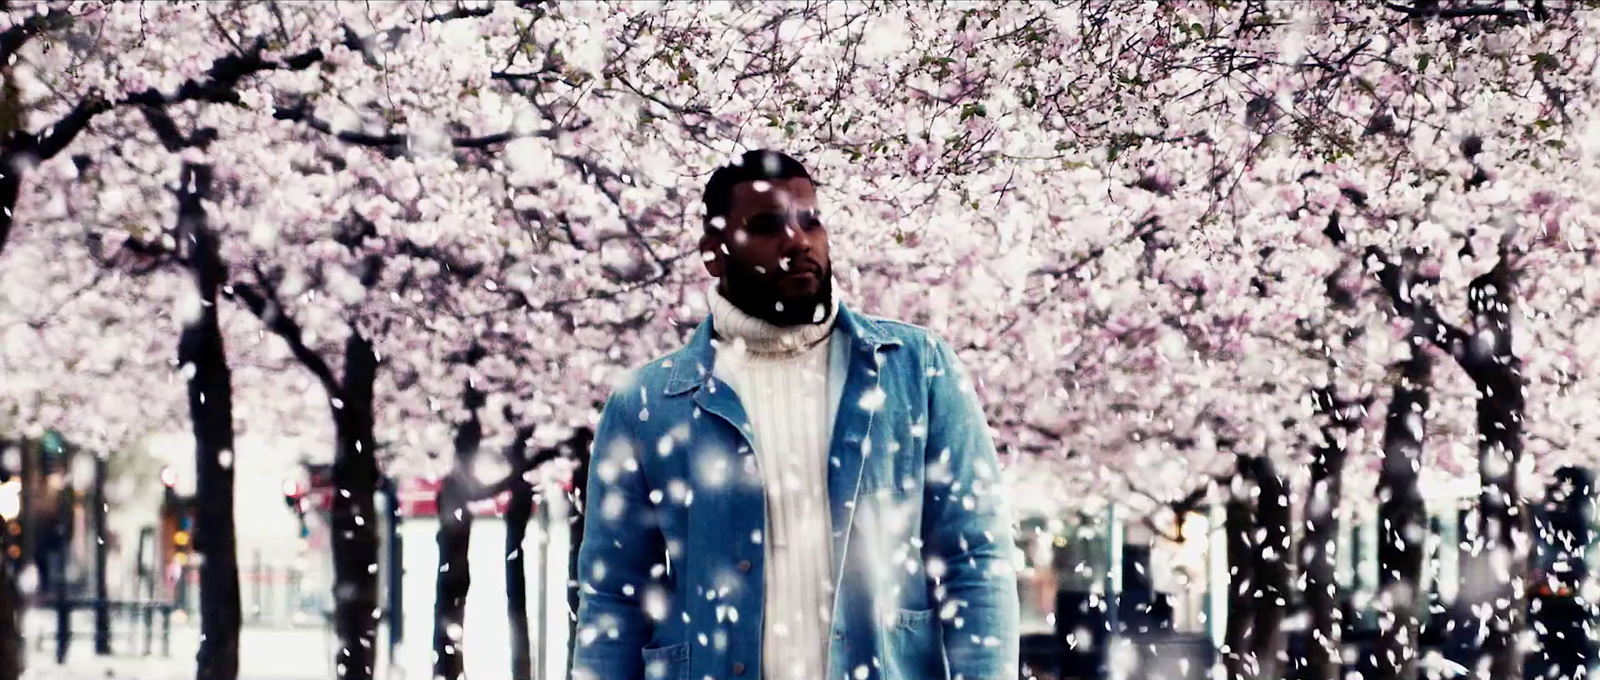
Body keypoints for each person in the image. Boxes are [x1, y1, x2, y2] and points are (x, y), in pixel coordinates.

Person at [572, 149, 1019, 680]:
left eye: (810, 220)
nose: (798, 241)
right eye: (767, 226)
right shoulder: (648, 403)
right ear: (715, 253)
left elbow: (976, 558)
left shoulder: (916, 369)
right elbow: (616, 600)